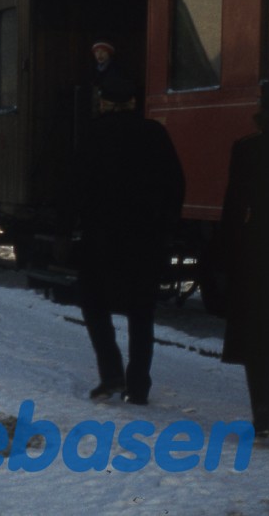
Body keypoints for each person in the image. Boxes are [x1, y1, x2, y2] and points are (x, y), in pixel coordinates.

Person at [69, 76, 185, 405]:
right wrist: (167, 227)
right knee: (141, 312)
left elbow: (74, 186)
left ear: (104, 102)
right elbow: (176, 184)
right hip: (145, 239)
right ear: (133, 103)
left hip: (100, 238)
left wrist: (66, 228)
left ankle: (111, 375)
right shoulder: (155, 134)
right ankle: (138, 385)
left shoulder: (93, 135)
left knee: (94, 306)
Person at [220, 80, 269, 450]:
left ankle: (264, 415)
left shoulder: (247, 149)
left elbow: (234, 208)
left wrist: (226, 252)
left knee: (258, 338)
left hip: (258, 253)